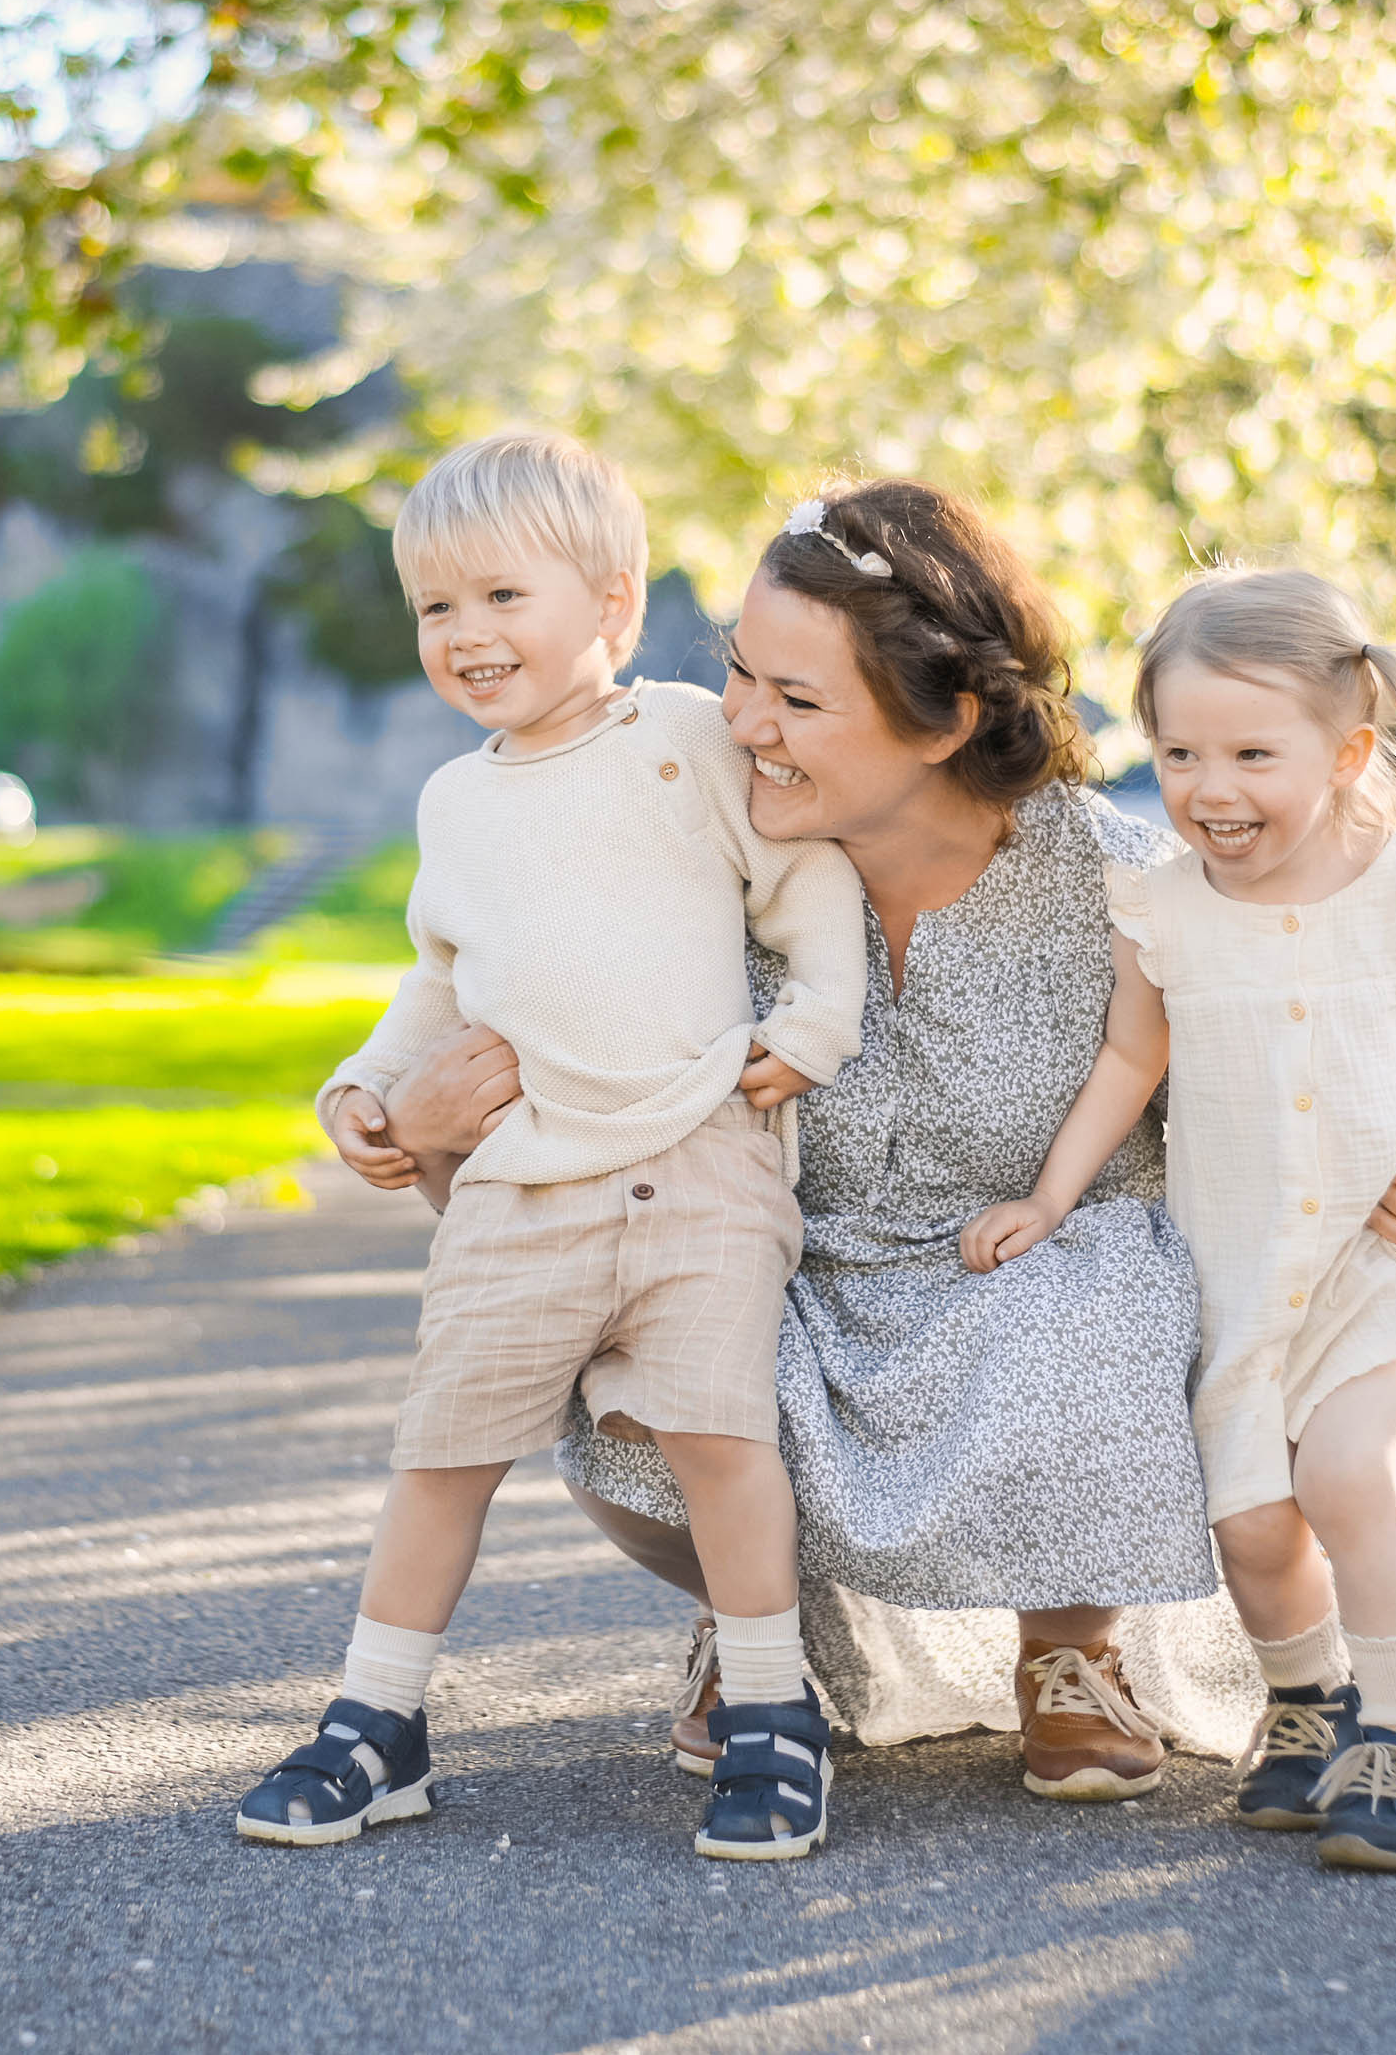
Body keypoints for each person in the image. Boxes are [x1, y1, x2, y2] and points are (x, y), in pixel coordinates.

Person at [376, 484, 1396, 1799]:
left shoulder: (1119, 883)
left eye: (798, 702)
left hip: (1030, 1285)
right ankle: (767, 1637)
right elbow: (547, 1208)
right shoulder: (679, 875)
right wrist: (429, 1144)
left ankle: (1072, 1647)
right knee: (639, 1352)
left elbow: (1297, 1041)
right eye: (739, 676)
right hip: (792, 1299)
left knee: (1092, 1284)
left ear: (946, 720)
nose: (745, 725)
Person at [232, 432, 868, 1864]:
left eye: (502, 598)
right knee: (442, 1451)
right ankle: (377, 1721)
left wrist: (819, 1022)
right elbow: (439, 977)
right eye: (437, 610)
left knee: (721, 1436)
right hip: (524, 1186)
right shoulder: (456, 803)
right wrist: (369, 1086)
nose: (466, 636)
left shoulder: (693, 738)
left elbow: (802, 882)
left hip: (702, 1155)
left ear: (615, 608)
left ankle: (771, 1710)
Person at [966, 566, 1396, 1872]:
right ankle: (1307, 1706)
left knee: (1346, 1478)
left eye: (1252, 752)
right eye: (1181, 752)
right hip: (1234, 1277)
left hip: (1382, 1262)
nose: (1211, 787)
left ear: (1349, 752)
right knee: (1253, 1526)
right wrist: (1047, 1196)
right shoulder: (1164, 908)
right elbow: (1129, 1065)